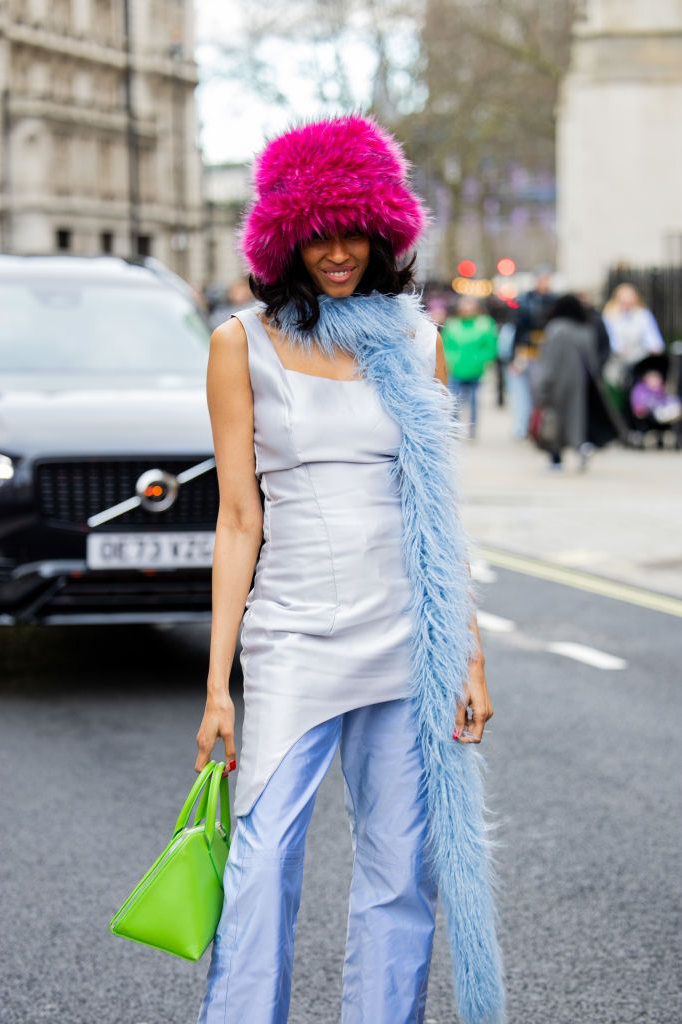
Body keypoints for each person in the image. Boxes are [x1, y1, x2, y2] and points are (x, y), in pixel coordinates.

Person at [194, 115, 506, 1024]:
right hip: (293, 636)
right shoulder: (237, 344)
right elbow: (238, 519)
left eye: (354, 229)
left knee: (399, 872)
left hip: (409, 641)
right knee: (257, 868)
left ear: (385, 228)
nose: (338, 252)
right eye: (318, 232)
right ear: (284, 237)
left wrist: (470, 651)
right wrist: (219, 684)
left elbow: (435, 514)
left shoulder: (416, 344)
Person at [534, 294, 616, 470]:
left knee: (555, 421)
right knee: (577, 420)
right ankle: (581, 448)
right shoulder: (585, 329)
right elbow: (593, 359)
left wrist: (542, 388)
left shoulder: (555, 328)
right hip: (581, 382)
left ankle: (556, 459)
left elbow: (549, 361)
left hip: (558, 383)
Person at [507, 271, 556, 439]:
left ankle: (538, 426)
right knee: (523, 394)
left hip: (545, 353)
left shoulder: (553, 302)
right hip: (527, 353)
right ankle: (524, 426)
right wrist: (515, 356)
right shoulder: (526, 301)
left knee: (540, 394)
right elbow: (518, 331)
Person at [441, 296, 498, 438]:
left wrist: (480, 360)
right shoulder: (452, 324)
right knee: (454, 401)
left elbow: (490, 347)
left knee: (474, 401)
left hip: (475, 370)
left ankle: (472, 428)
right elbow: (445, 345)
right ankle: (454, 427)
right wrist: (449, 361)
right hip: (455, 369)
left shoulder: (485, 324)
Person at [602, 283, 665, 386]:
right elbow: (611, 337)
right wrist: (618, 349)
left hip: (639, 360)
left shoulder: (643, 315)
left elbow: (652, 337)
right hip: (617, 361)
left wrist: (654, 348)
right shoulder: (610, 315)